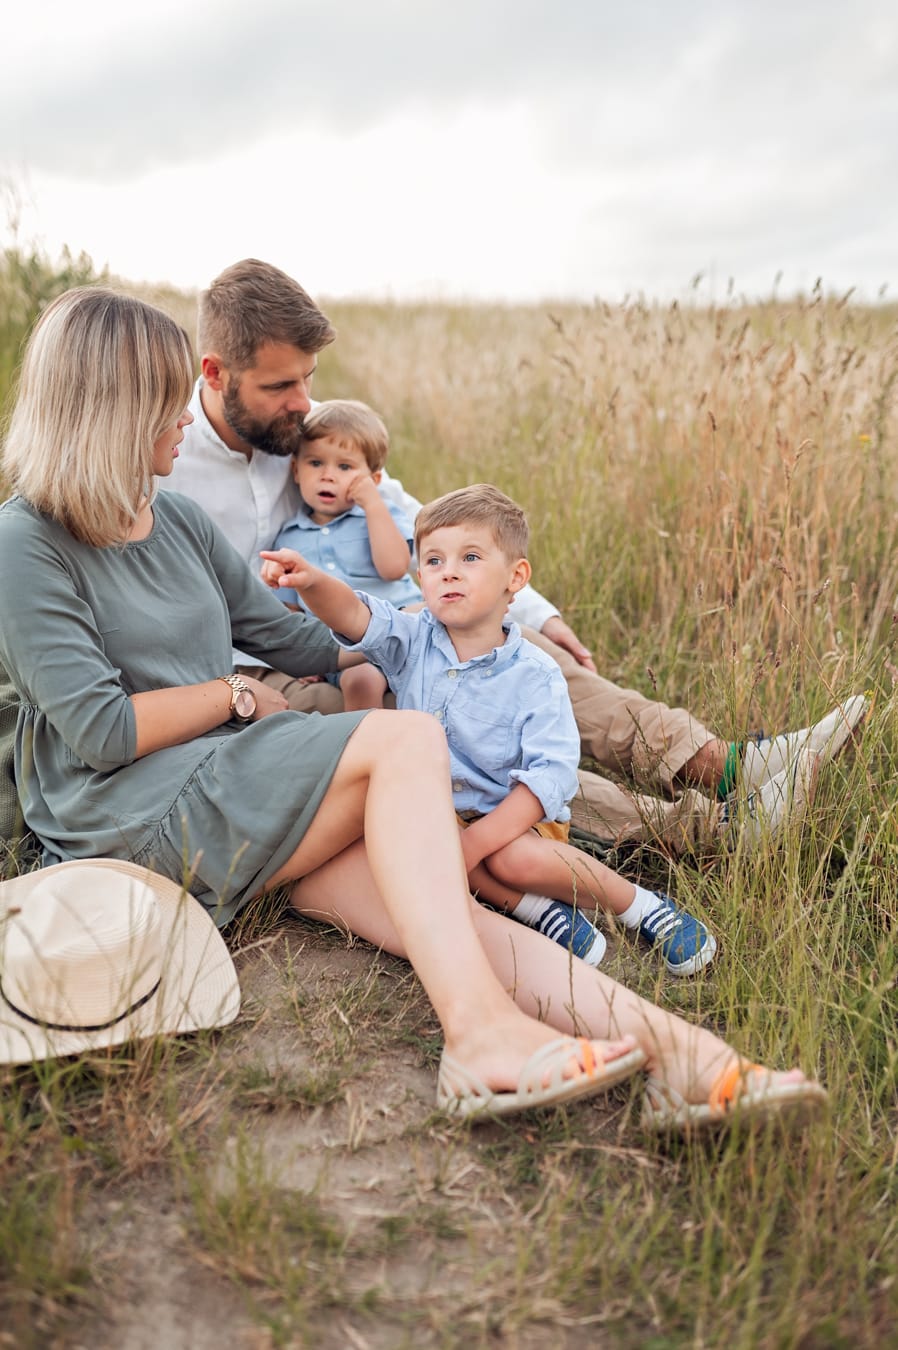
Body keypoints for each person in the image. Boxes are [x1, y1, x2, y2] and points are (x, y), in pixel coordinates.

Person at [0, 286, 826, 1134]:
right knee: (405, 742)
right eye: (165, 399)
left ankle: (689, 1060)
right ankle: (480, 1038)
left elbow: (291, 640)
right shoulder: (23, 542)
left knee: (438, 910)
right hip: (126, 810)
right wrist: (235, 695)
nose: (184, 415)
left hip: (226, 787)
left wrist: (431, 638)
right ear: (110, 411)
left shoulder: (171, 516)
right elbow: (101, 733)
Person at [162, 259, 868, 856]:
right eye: (280, 387)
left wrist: (534, 609)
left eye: (309, 380)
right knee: (465, 729)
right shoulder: (166, 462)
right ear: (215, 373)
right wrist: (235, 692)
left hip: (377, 625)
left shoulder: (311, 438)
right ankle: (712, 832)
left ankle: (730, 767)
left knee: (522, 652)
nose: (303, 403)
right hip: (279, 672)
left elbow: (425, 526)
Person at [263, 481, 727, 977]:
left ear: (515, 577)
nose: (448, 572)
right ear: (420, 577)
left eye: (470, 558)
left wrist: (477, 842)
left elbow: (550, 777)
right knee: (421, 849)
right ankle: (538, 910)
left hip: (516, 821)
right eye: (434, 561)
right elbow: (357, 615)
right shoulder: (413, 640)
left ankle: (640, 906)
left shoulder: (535, 674)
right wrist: (310, 582)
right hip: (443, 815)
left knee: (508, 860)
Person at [272, 398, 420, 711]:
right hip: (348, 649)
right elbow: (290, 608)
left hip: (402, 626)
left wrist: (373, 504)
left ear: (373, 480)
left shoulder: (380, 514)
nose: (328, 475)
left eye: (344, 467)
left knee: (436, 620)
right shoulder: (289, 537)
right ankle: (367, 737)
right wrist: (300, 659)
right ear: (296, 470)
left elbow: (395, 568)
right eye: (315, 463)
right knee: (360, 680)